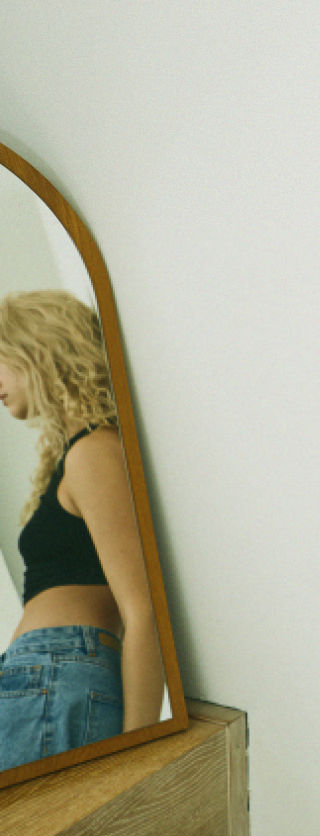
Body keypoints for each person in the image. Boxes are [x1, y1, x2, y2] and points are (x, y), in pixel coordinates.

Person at [0, 290, 164, 772]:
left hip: (56, 672)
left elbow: (143, 608)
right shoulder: (79, 452)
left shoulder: (94, 451)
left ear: (36, 349)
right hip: (46, 674)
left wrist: (137, 759)